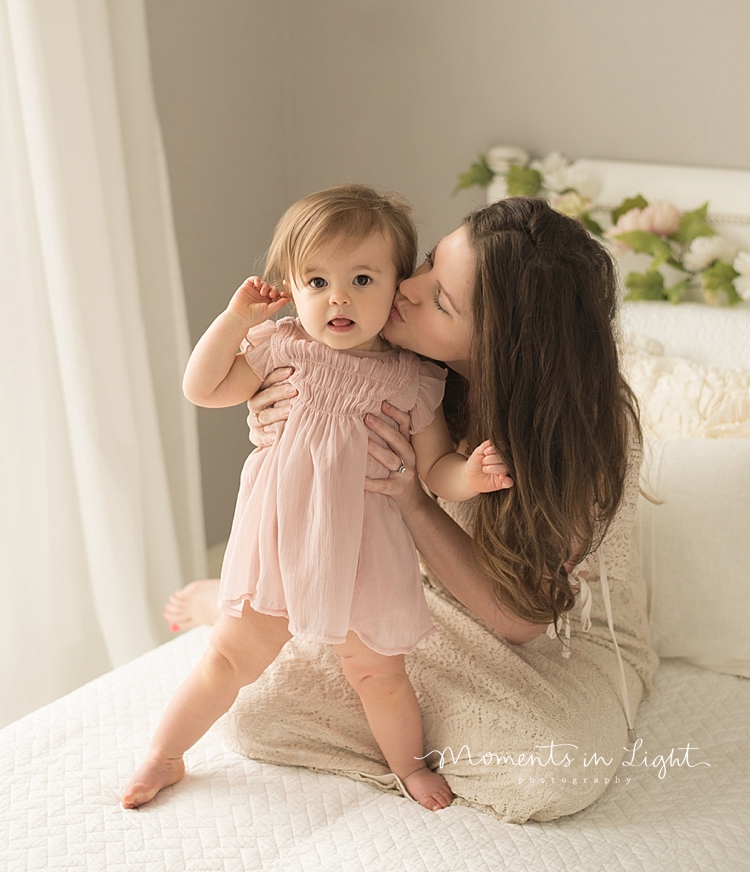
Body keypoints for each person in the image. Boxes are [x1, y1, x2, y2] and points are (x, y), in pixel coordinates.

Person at [165, 195, 659, 824]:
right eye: (428, 262)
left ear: (504, 346)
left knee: (551, 772)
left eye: (441, 300)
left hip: (549, 632)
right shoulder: (402, 361)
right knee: (254, 716)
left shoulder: (585, 433)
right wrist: (277, 420)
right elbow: (306, 408)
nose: (407, 288)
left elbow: (521, 620)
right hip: (409, 586)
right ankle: (251, 599)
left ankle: (276, 622)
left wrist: (414, 500)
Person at [124, 185, 511, 812]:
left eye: (362, 279)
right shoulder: (279, 350)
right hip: (278, 549)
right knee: (227, 657)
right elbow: (202, 388)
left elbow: (435, 466)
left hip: (364, 559)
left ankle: (409, 769)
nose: (338, 298)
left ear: (396, 287)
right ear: (291, 288)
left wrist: (470, 477)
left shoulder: (412, 379)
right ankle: (165, 755)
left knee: (379, 676)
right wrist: (234, 322)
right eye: (316, 281)